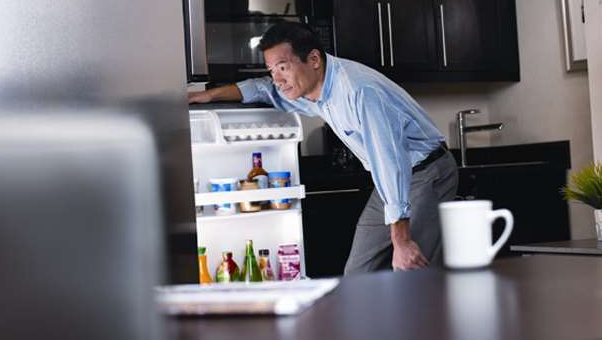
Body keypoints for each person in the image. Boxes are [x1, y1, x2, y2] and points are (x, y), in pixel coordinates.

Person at [189, 23, 458, 273]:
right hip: (391, 182)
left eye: (283, 67)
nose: (278, 79)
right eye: (273, 70)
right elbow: (264, 89)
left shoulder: (359, 91)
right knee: (358, 273)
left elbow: (389, 160)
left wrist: (401, 240)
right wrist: (209, 95)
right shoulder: (313, 89)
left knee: (412, 270)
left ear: (314, 60)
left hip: (426, 173)